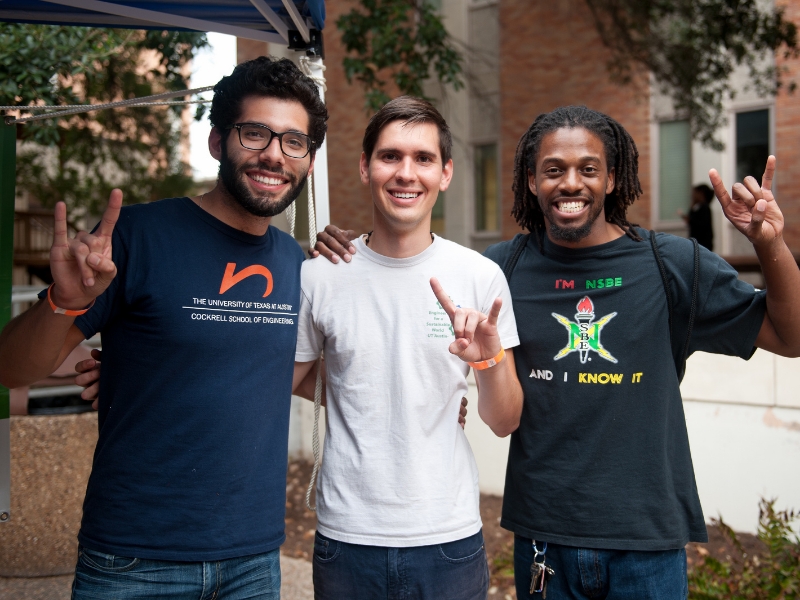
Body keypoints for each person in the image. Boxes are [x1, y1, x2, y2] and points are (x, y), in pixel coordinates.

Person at [313, 105, 800, 599]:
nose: (571, 183)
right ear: (531, 181)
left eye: (588, 168)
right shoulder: (500, 270)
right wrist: (347, 247)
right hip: (543, 542)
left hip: (647, 547)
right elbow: (403, 286)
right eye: (553, 170)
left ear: (612, 179)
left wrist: (770, 245)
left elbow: (791, 336)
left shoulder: (671, 264)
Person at [0, 56, 327, 599]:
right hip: (133, 560)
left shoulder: (301, 267)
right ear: (218, 142)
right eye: (256, 134)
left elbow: (298, 376)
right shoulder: (136, 237)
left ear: (309, 161)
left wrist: (434, 394)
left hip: (252, 562)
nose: (275, 153)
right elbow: (11, 368)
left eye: (294, 142)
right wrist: (61, 302)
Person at [291, 96, 524, 600]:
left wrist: (487, 358)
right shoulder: (320, 275)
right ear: (364, 167)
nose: (405, 173)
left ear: (446, 174)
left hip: (447, 537)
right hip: (347, 537)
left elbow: (505, 421)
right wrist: (367, 392)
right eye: (390, 156)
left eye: (423, 159)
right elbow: (287, 378)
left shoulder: (480, 276)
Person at [681, 183, 714, 250]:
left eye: (695, 193)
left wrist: (690, 220)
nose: (693, 195)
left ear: (701, 194)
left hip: (703, 244)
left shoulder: (705, 208)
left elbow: (700, 224)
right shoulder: (697, 208)